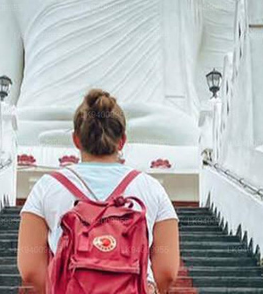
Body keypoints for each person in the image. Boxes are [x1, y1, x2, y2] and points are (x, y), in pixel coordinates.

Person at [17, 89, 180, 293]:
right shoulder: (152, 188)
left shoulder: (46, 187)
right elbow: (167, 272)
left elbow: (30, 270)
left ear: (76, 140)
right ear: (122, 141)